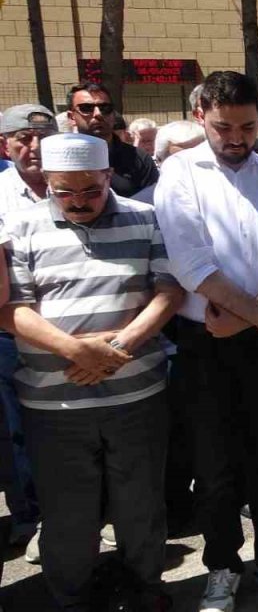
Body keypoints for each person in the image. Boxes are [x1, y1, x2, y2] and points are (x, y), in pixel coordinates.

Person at [154, 72, 258, 609]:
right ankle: (222, 564)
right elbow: (192, 265)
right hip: (205, 341)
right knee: (215, 463)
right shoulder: (179, 174)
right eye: (224, 126)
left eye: (248, 127)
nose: (236, 138)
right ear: (201, 114)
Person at [0, 133, 183, 610]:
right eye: (65, 192)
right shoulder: (20, 226)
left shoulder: (145, 218)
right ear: (46, 182)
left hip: (136, 393)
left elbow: (168, 290)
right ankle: (71, 597)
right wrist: (74, 350)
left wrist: (119, 346)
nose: (78, 203)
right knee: (67, 510)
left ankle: (144, 586)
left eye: (90, 191)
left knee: (141, 502)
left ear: (107, 177)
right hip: (53, 401)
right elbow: (10, 309)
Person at [0, 104, 55, 559]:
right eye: (23, 138)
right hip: (10, 332)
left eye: (42, 137)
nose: (33, 147)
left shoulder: (78, 184)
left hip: (71, 330)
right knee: (17, 429)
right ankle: (30, 516)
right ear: (5, 145)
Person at [66, 83, 160, 197]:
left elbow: (152, 202)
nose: (98, 114)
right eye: (87, 108)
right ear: (72, 117)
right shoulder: (63, 159)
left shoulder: (139, 158)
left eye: (105, 108)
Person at [134, 120, 207, 204]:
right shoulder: (141, 209)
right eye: (180, 160)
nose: (190, 166)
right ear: (159, 159)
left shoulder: (220, 199)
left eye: (197, 158)